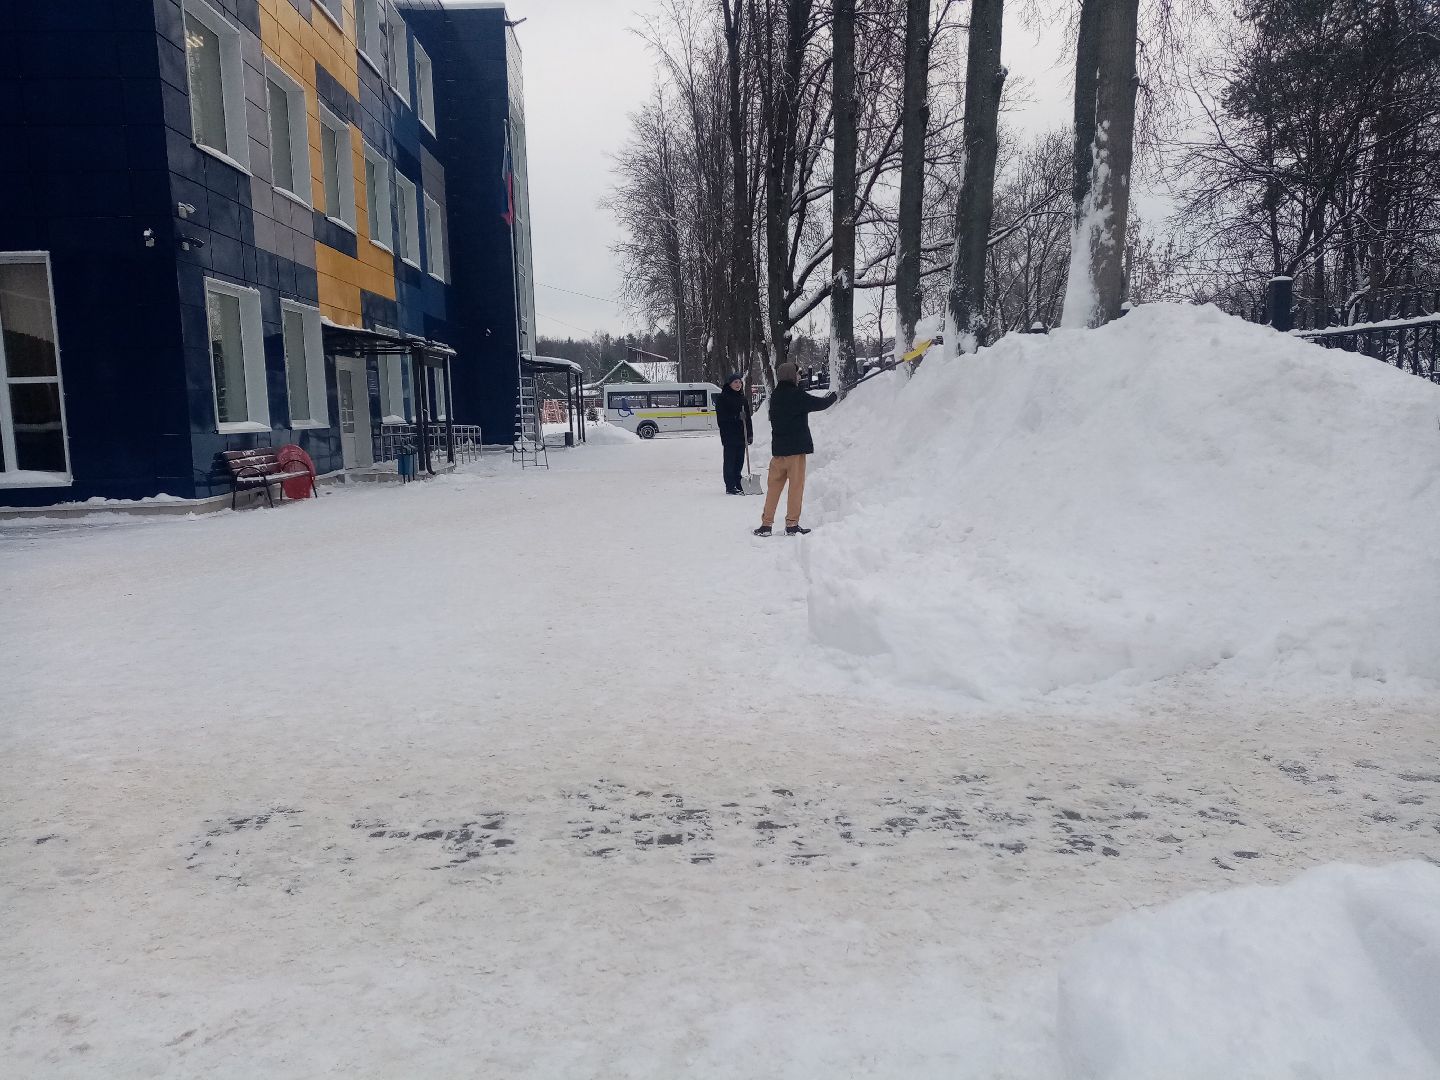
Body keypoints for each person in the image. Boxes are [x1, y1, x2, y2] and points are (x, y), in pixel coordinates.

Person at [754, 361, 836, 536]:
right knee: (796, 487)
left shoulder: (775, 396)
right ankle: (792, 525)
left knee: (774, 488)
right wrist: (833, 397)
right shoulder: (796, 395)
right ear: (792, 375)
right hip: (795, 452)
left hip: (778, 452)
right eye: (798, 374)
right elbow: (819, 404)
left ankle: (766, 524)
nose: (800, 377)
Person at [713, 373, 753, 495]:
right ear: (729, 384)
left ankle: (738, 482)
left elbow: (748, 419)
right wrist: (736, 417)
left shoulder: (743, 398)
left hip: (742, 434)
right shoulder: (723, 398)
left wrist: (750, 434)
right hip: (729, 435)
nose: (738, 384)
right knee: (730, 460)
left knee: (739, 460)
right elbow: (722, 418)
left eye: (740, 382)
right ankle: (730, 486)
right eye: (735, 382)